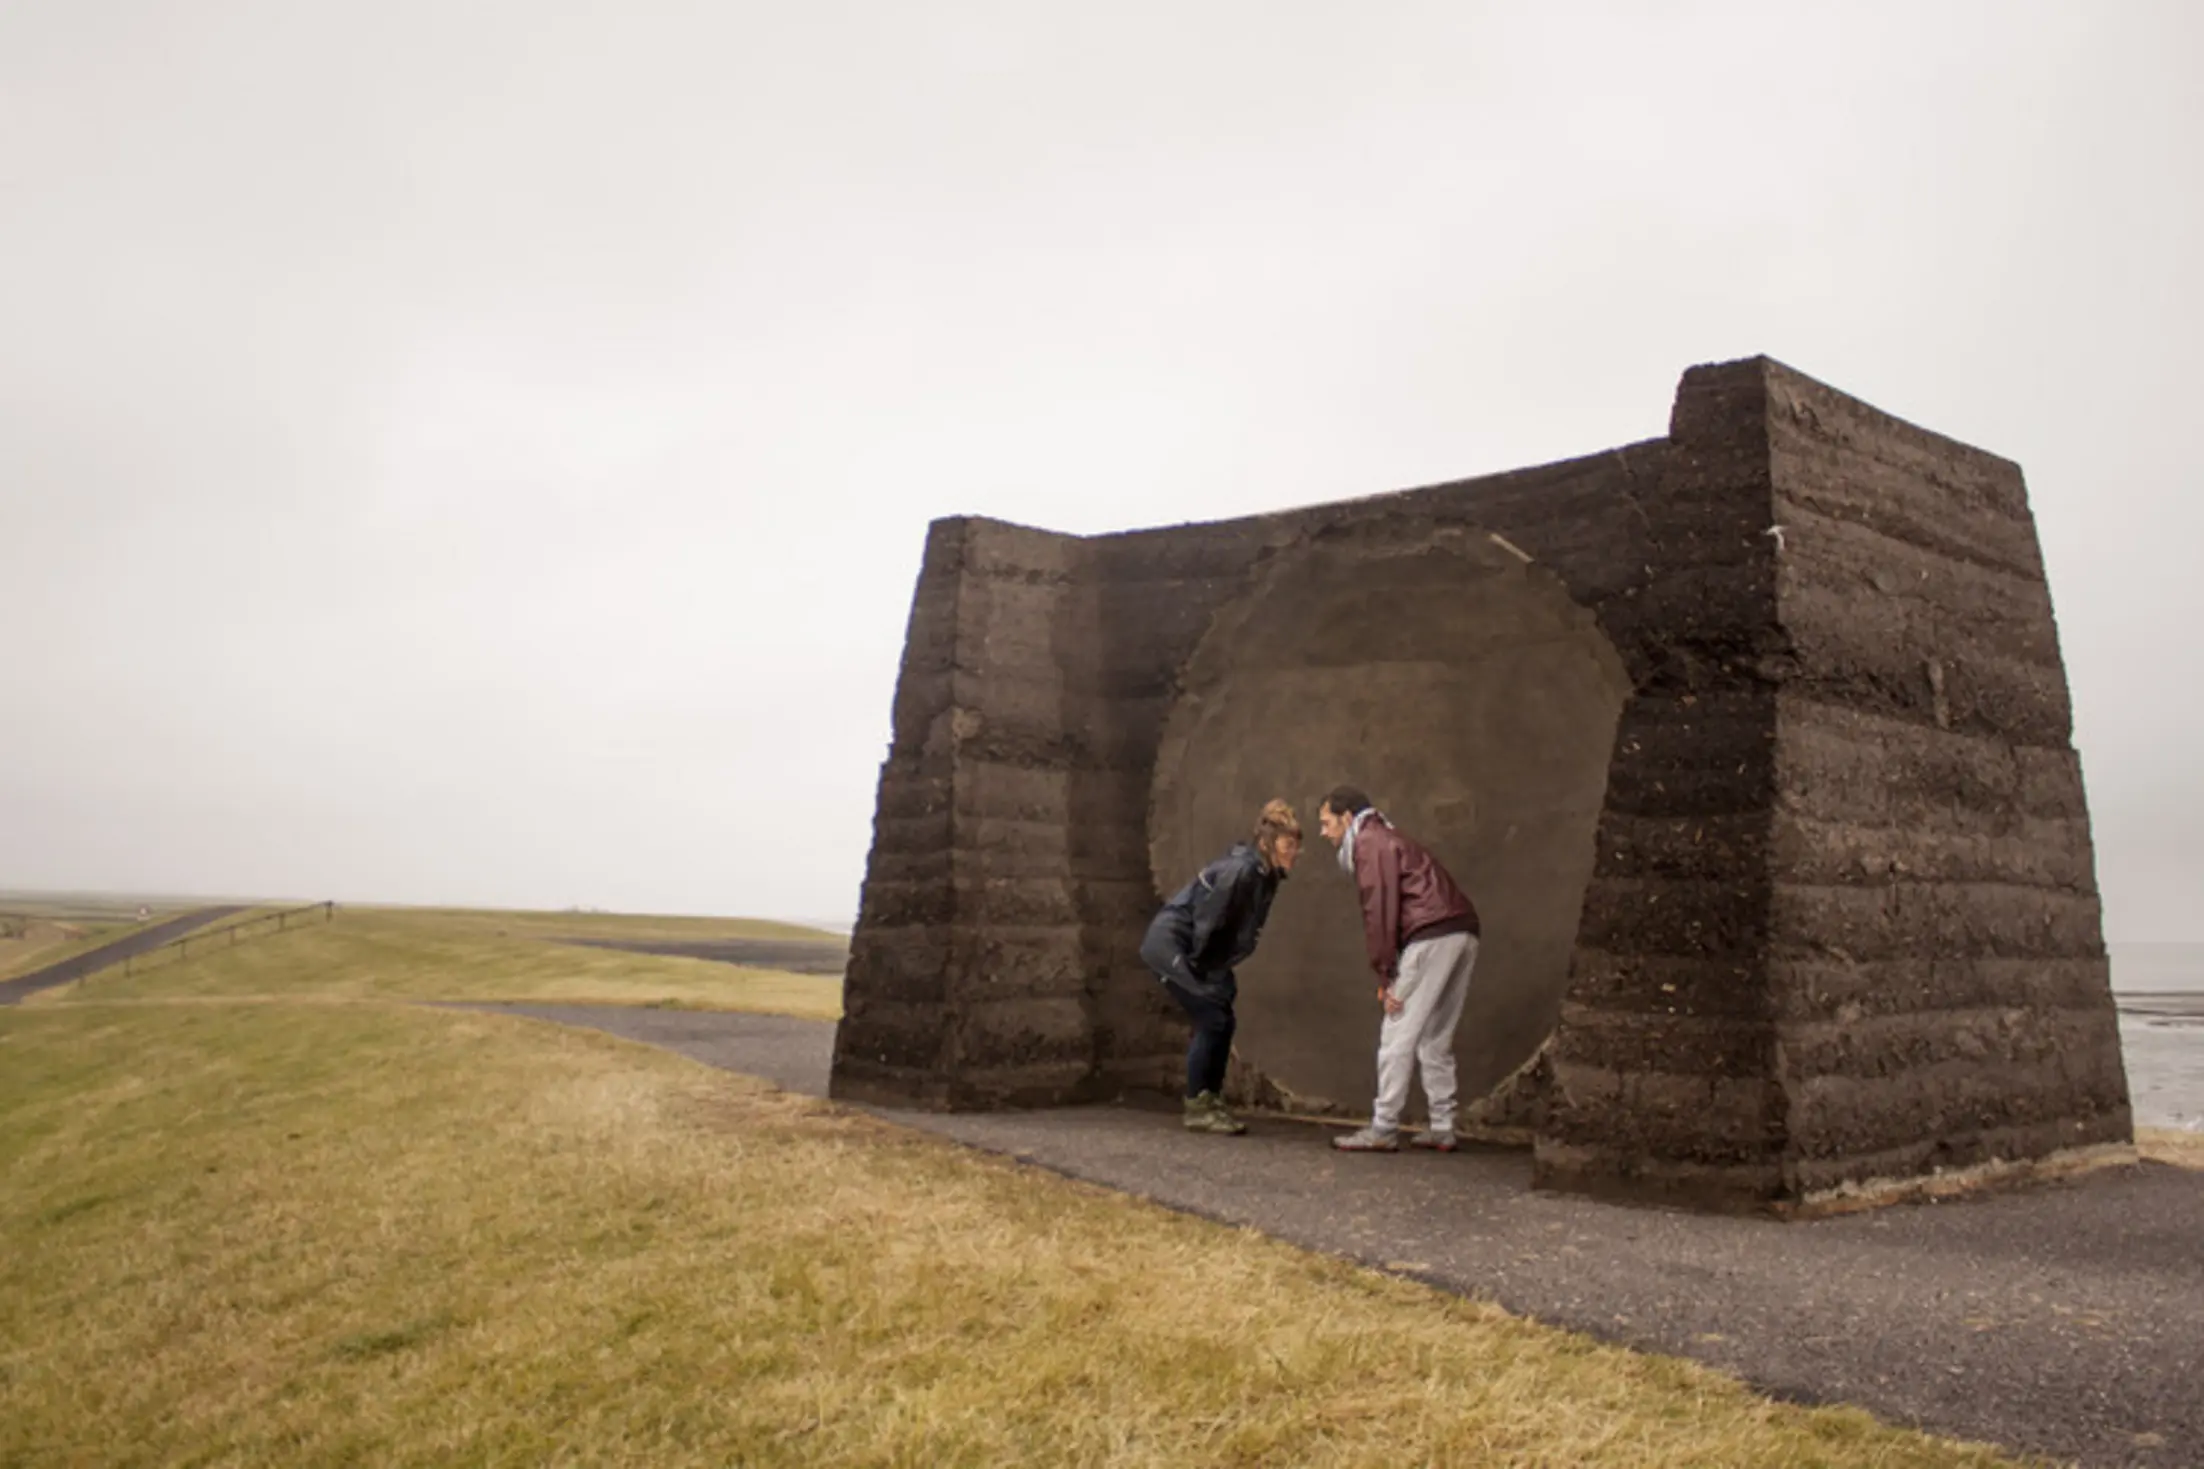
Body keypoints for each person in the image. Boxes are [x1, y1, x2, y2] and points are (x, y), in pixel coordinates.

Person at [1317, 785, 1480, 1152]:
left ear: (1347, 818)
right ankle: (1442, 1125)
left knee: (1396, 1033)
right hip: (1462, 931)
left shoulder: (1369, 843)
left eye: (1326, 823)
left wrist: (1385, 975)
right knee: (1435, 1037)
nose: (1323, 833)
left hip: (1430, 935)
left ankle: (1384, 1127)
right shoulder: (1389, 836)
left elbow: (1380, 910)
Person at [1140, 799, 1303, 1134]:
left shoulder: (1265, 874)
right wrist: (1204, 972)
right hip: (1171, 946)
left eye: (1297, 846)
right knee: (1212, 1017)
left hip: (1193, 949)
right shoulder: (1242, 872)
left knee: (1223, 1020)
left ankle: (1209, 1099)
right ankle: (1197, 1106)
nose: (1294, 853)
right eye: (1289, 845)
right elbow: (1209, 924)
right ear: (1266, 843)